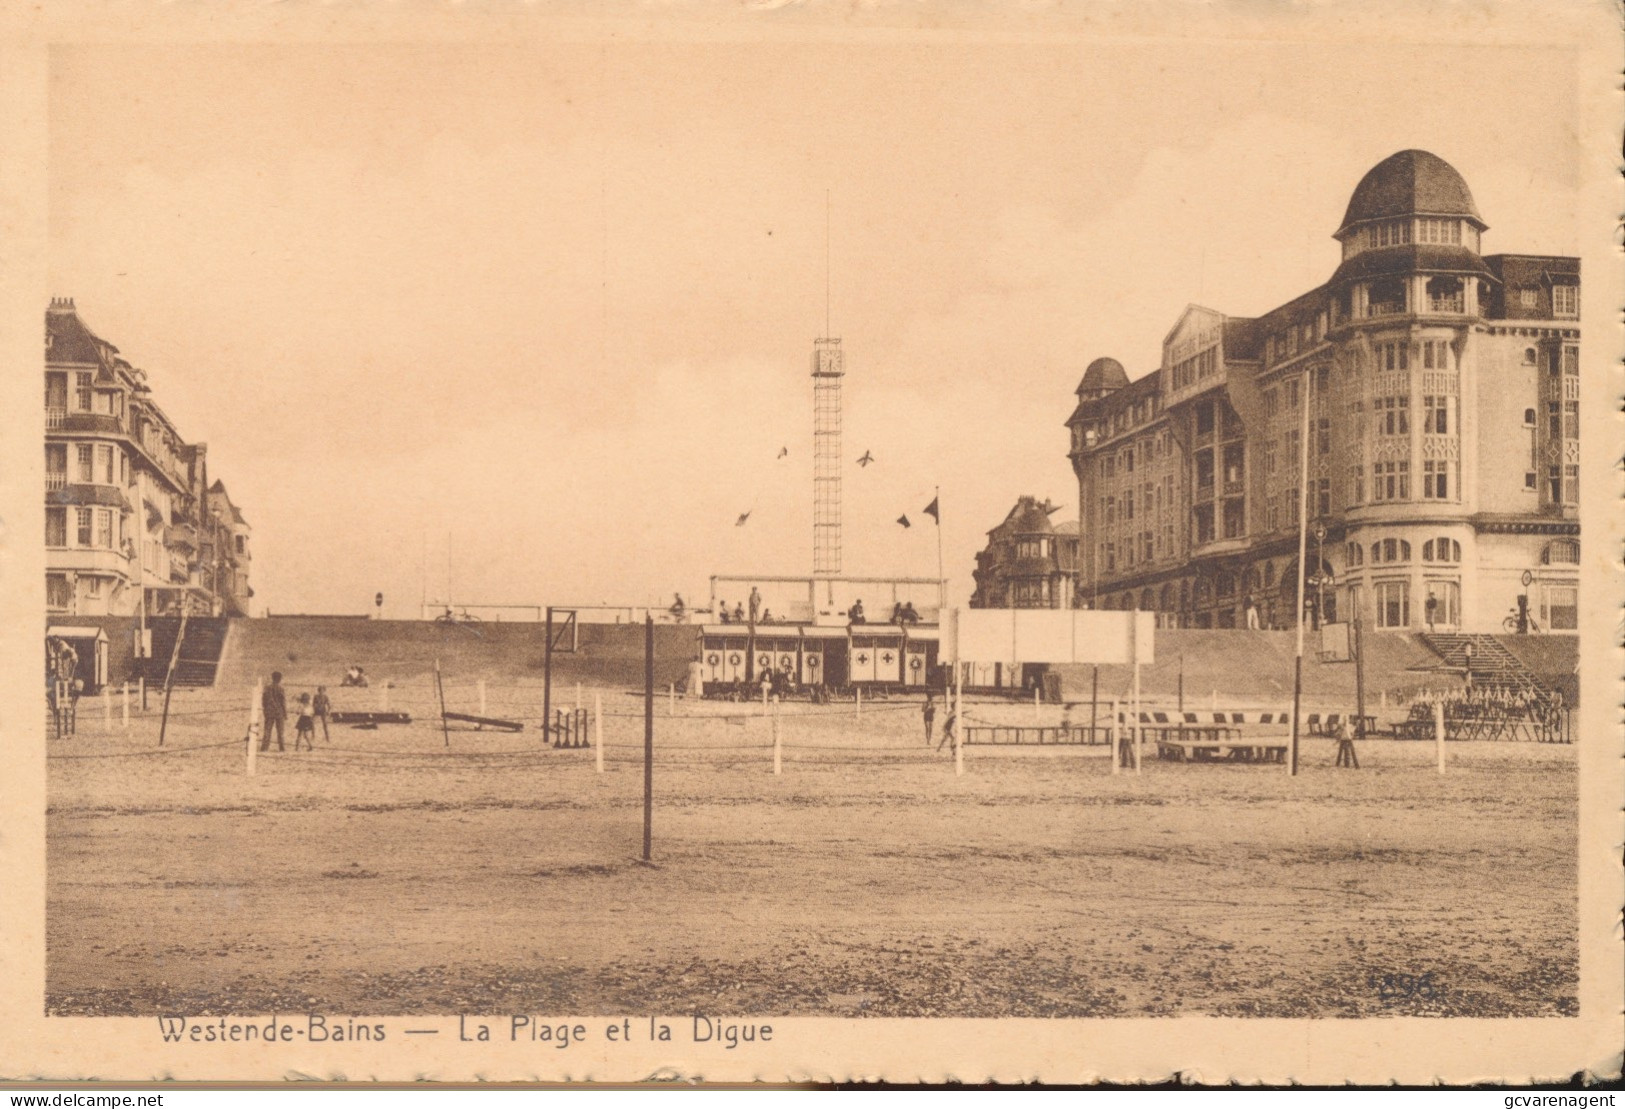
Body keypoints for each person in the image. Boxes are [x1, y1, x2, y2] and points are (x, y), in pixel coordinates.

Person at [260, 672, 287, 751]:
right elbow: (283, 702)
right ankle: (282, 748)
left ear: (272, 678)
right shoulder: (281, 689)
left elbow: (264, 700)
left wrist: (265, 709)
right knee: (280, 731)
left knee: (267, 730)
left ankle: (264, 748)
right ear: (280, 679)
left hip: (269, 711)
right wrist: (285, 713)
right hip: (279, 712)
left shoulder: (267, 688)